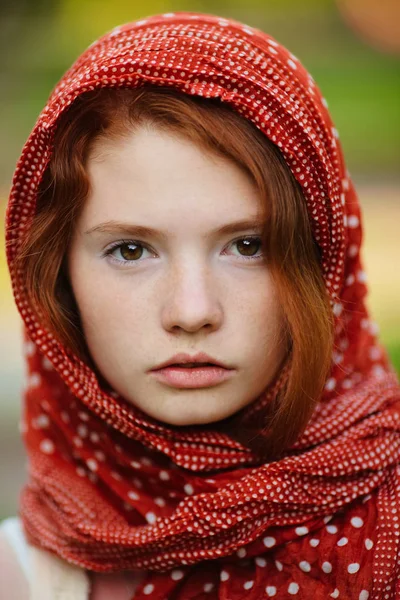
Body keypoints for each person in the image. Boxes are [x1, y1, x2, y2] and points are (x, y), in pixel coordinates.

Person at [1, 10, 399, 600]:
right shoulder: (24, 575)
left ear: (324, 263)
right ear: (56, 280)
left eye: (248, 246)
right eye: (130, 250)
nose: (192, 311)